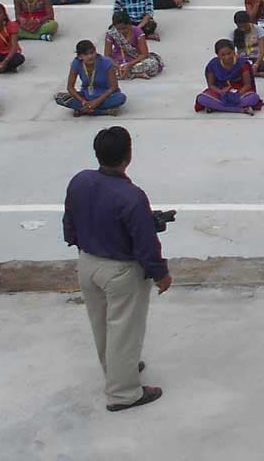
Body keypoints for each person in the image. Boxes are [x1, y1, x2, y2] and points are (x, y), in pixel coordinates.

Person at [62, 126, 169, 411]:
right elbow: (145, 243)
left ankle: (116, 369)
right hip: (119, 270)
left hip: (87, 263)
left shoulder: (80, 181)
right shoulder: (131, 195)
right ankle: (123, 392)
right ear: (128, 156)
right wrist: (161, 274)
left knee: (101, 323)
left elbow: (70, 222)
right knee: (124, 329)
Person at [57, 39, 127, 116]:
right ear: (79, 57)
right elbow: (70, 87)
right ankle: (102, 111)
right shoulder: (76, 63)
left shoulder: (106, 62)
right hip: (86, 96)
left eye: (92, 53)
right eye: (86, 54)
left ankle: (84, 110)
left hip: (105, 95)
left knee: (121, 98)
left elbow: (114, 87)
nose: (90, 56)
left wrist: (96, 102)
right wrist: (83, 102)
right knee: (60, 98)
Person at [196, 39, 264, 114]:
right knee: (202, 98)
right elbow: (211, 85)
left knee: (253, 98)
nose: (227, 57)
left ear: (234, 52)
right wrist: (221, 92)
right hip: (220, 92)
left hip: (239, 92)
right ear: (217, 55)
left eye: (229, 53)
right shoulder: (213, 64)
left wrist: (236, 94)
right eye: (223, 55)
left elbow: (247, 85)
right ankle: (240, 110)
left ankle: (217, 107)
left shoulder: (242, 64)